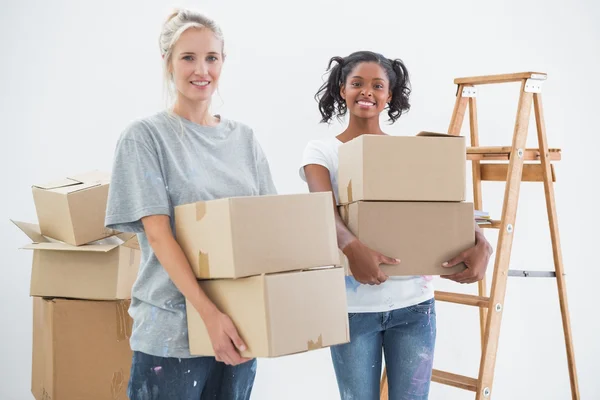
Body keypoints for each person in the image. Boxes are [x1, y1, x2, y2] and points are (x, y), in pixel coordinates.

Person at [299, 51, 493, 400]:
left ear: (390, 94)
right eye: (357, 83)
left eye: (378, 85)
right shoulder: (323, 150)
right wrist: (353, 247)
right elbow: (321, 209)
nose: (366, 92)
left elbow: (439, 207)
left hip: (415, 306)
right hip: (352, 310)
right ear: (342, 88)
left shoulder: (407, 152)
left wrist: (481, 241)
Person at [104, 9, 276, 400]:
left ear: (223, 63)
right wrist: (209, 315)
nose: (202, 69)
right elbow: (160, 237)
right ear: (168, 64)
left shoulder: (244, 140)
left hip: (240, 333)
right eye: (188, 57)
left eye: (211, 58)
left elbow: (268, 229)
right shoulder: (145, 138)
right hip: (173, 335)